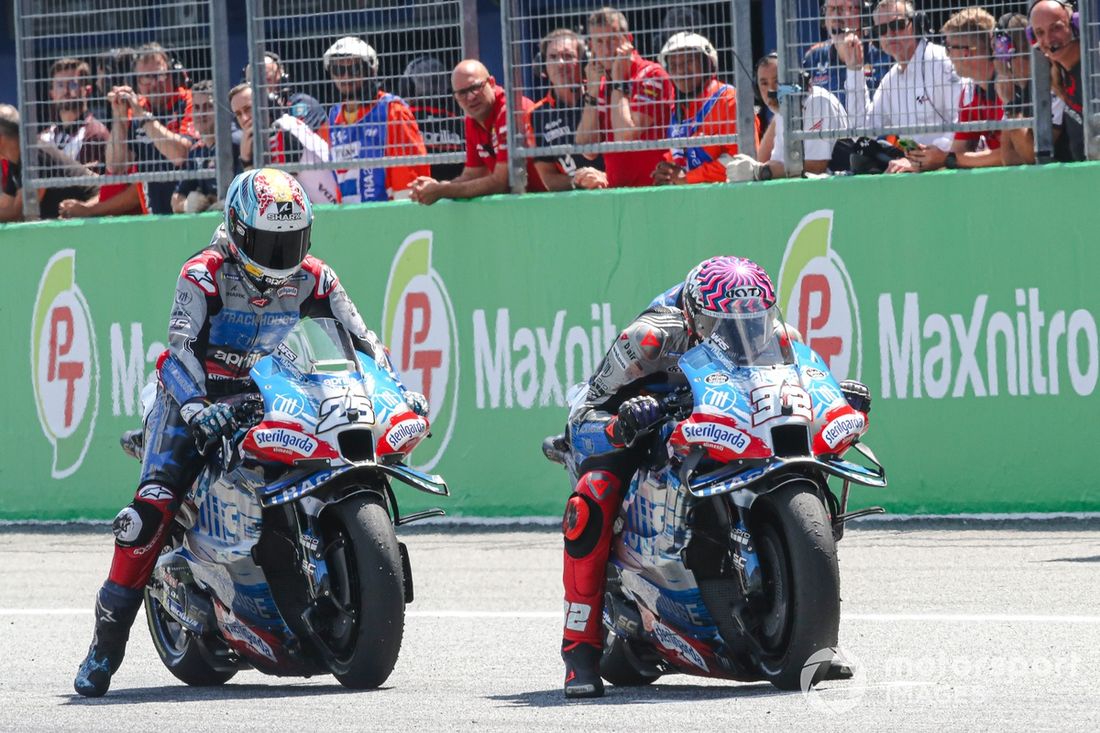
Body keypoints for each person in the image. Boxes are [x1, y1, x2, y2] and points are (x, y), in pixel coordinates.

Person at [73, 167, 429, 697]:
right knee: (149, 509)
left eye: (291, 242)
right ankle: (105, 645)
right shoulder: (204, 273)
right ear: (238, 230)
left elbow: (361, 341)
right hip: (195, 395)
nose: (282, 255)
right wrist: (197, 409)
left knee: (330, 447)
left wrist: (396, 390)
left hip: (270, 384)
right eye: (268, 242)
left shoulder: (315, 276)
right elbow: (180, 349)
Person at [559, 256, 808, 697]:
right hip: (644, 414)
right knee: (591, 500)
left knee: (802, 463)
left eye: (754, 322)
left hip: (721, 413)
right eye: (724, 325)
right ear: (694, 317)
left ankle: (814, 636)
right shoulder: (650, 337)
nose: (744, 334)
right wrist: (625, 423)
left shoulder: (777, 336)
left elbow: (803, 387)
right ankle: (579, 647)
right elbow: (583, 415)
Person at [408, 59, 547, 205]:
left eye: (475, 87)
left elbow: (501, 182)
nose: (470, 97)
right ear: (455, 98)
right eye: (462, 93)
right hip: (527, 204)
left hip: (552, 198)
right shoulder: (472, 119)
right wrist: (437, 186)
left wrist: (442, 191)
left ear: (491, 83)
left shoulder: (511, 112)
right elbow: (473, 174)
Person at [848, 1, 962, 173]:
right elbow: (861, 131)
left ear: (915, 24)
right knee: (861, 151)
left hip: (949, 163)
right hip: (913, 167)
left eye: (897, 25)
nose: (890, 34)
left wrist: (934, 155)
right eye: (882, 30)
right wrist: (854, 70)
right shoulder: (890, 80)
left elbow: (963, 121)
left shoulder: (943, 62)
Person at [319, 36, 429, 202]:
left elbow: (409, 175)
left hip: (388, 217)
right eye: (338, 70)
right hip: (350, 219)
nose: (346, 76)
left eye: (355, 69)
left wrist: (405, 218)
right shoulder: (334, 117)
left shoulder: (393, 111)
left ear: (370, 71)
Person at [575, 6, 675, 188]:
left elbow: (625, 137)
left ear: (628, 39)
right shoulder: (602, 83)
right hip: (618, 195)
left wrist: (619, 82)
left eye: (612, 39)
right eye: (599, 42)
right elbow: (587, 149)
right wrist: (592, 91)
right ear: (591, 46)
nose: (606, 49)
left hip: (655, 191)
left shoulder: (652, 74)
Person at [651, 31, 757, 186]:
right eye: (673, 65)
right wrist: (668, 172)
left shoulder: (729, 100)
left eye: (688, 61)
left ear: (708, 63)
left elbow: (742, 160)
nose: (680, 70)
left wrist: (688, 178)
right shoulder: (678, 109)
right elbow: (681, 158)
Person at [725, 53, 849, 181]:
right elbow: (776, 162)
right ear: (757, 90)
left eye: (777, 81)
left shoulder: (819, 101)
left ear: (797, 80)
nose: (771, 90)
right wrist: (750, 170)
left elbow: (816, 167)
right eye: (764, 83)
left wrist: (760, 171)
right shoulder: (783, 110)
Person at [908, 7, 1004, 171]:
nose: (947, 55)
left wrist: (947, 159)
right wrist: (929, 160)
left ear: (966, 52)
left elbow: (1010, 155)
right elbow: (959, 151)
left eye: (949, 47)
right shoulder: (969, 91)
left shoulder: (1009, 86)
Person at [105, 42, 197, 214]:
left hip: (187, 211)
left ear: (174, 74)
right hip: (152, 215)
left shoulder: (189, 102)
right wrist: (119, 117)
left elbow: (181, 155)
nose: (154, 84)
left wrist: (144, 119)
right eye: (146, 78)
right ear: (136, 82)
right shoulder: (137, 108)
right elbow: (116, 166)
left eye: (160, 76)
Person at [231, 82, 339, 206]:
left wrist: (246, 161)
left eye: (248, 109)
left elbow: (274, 199)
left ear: (265, 104)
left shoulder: (282, 130)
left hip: (335, 207)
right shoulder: (283, 125)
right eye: (238, 114)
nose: (244, 118)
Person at [529, 29, 606, 191]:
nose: (560, 63)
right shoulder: (537, 114)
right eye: (553, 57)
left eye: (568, 56)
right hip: (576, 201)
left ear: (584, 61)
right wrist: (578, 181)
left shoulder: (606, 94)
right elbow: (548, 177)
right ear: (543, 65)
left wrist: (607, 176)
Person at [0, 103, 97, 222]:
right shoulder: (15, 160)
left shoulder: (34, 155)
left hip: (95, 211)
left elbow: (19, 212)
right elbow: (5, 206)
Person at [804, 0, 892, 121]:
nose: (836, 16)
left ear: (863, 15)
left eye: (842, 9)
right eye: (831, 9)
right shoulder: (813, 57)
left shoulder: (885, 56)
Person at [172, 80, 239, 213]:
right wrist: (186, 205)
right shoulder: (197, 151)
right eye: (196, 107)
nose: (201, 113)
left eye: (208, 106)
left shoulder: (236, 142)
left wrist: (214, 203)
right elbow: (176, 199)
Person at [1029, 0, 1084, 161]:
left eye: (1056, 28)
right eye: (1040, 32)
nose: (1048, 39)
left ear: (1075, 25)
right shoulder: (1059, 74)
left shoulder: (1095, 67)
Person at [397, 55, 466, 182]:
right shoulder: (460, 119)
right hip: (455, 190)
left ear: (409, 87)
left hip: (418, 188)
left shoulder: (404, 118)